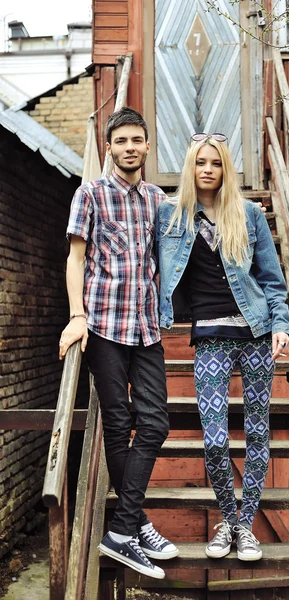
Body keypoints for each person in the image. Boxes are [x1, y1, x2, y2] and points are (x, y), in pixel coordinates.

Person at [156, 133, 289, 561]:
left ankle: (243, 526)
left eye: (215, 163)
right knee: (215, 439)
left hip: (255, 333)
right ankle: (228, 519)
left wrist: (281, 326)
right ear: (191, 169)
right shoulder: (171, 217)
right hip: (210, 338)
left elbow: (272, 279)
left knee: (256, 431)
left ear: (225, 168)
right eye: (201, 163)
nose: (208, 169)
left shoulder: (249, 215)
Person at [58, 107, 179, 580]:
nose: (130, 147)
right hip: (104, 327)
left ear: (148, 147)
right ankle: (135, 525)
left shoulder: (156, 200)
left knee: (155, 422)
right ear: (110, 147)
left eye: (138, 140)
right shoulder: (88, 194)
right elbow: (75, 259)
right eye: (121, 140)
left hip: (146, 327)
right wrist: (76, 316)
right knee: (118, 424)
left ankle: (122, 528)